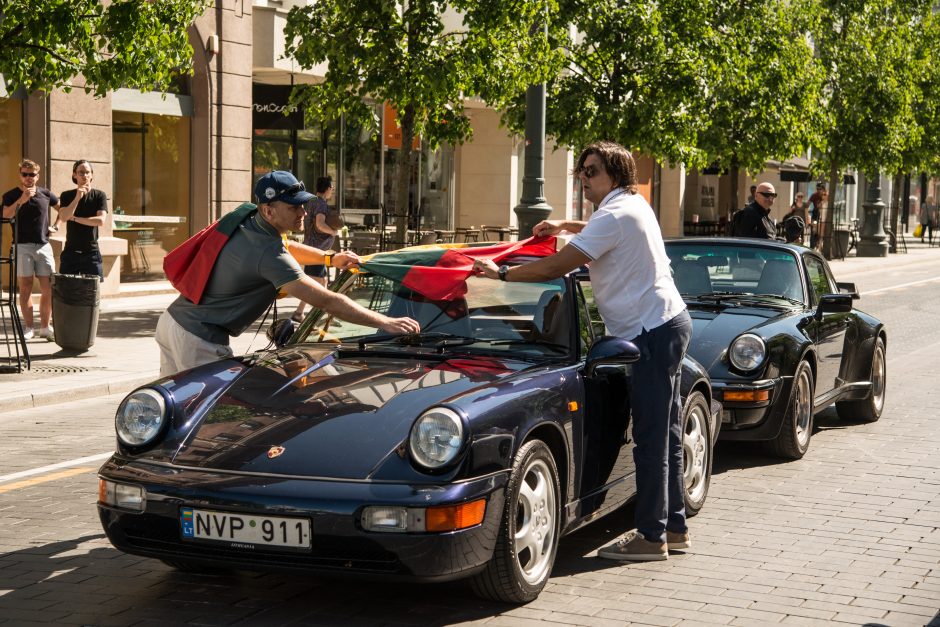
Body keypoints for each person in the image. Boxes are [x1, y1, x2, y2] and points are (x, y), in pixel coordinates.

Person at [472, 141, 691, 561]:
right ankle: (674, 527)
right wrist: (563, 225)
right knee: (667, 433)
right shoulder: (632, 204)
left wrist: (501, 273)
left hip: (650, 332)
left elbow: (557, 267)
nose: (583, 178)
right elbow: (596, 231)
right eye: (580, 172)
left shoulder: (613, 215)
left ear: (615, 174)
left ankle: (651, 537)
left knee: (650, 439)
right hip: (668, 322)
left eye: (591, 171)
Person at [155, 171, 420, 377]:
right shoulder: (268, 254)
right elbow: (327, 301)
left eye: (303, 205)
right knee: (208, 418)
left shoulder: (249, 218)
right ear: (269, 210)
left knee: (173, 415)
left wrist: (330, 258)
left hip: (173, 322)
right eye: (294, 207)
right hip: (197, 339)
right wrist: (385, 322)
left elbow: (289, 246)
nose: (303, 212)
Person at [1, 159, 59, 340]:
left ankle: (45, 327)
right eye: (24, 174)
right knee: (25, 288)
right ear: (20, 175)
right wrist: (22, 199)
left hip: (43, 245)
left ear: (37, 176)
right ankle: (28, 328)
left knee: (48, 288)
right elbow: (5, 215)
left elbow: (63, 209)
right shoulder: (11, 195)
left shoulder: (46, 194)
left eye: (31, 174)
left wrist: (56, 226)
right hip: (21, 246)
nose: (28, 178)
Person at [292, 176, 337, 322]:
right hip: (317, 249)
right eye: (332, 188)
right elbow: (320, 224)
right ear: (328, 188)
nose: (332, 191)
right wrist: (332, 231)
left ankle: (318, 313)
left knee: (321, 281)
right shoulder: (321, 204)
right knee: (315, 282)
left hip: (312, 247)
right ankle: (321, 313)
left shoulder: (311, 201)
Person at [56, 160, 108, 280]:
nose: (84, 175)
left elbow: (100, 221)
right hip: (70, 252)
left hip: (91, 252)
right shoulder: (66, 195)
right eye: (81, 172)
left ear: (92, 175)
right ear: (74, 175)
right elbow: (63, 217)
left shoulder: (99, 195)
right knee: (66, 291)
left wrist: (74, 219)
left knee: (92, 293)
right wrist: (77, 198)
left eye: (87, 172)